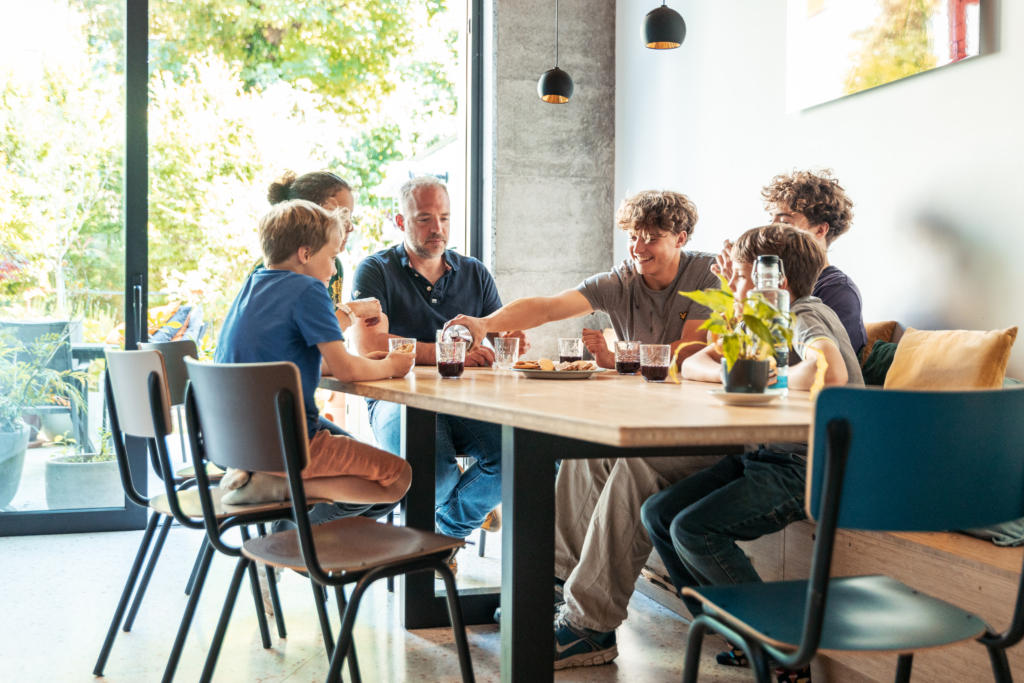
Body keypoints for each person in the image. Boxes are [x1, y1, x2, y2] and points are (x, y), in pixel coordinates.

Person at [445, 190, 722, 671]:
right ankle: (554, 586)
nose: (638, 247)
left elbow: (686, 352)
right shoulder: (622, 279)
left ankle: (590, 627)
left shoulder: (708, 274)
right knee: (585, 453)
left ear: (681, 238)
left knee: (635, 467)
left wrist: (620, 359)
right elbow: (549, 307)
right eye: (633, 236)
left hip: (699, 427)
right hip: (650, 421)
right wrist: (486, 324)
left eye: (651, 237)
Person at [641, 223, 865, 683]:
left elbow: (831, 369)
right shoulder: (759, 322)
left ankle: (781, 650)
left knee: (693, 529)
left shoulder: (803, 313)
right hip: (764, 455)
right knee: (658, 514)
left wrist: (764, 376)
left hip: (806, 464)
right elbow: (692, 363)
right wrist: (741, 369)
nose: (731, 287)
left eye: (739, 277)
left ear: (772, 281)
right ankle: (741, 634)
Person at [348, 175, 525, 571]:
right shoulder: (374, 271)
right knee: (435, 479)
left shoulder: (475, 273)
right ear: (400, 221)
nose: (438, 229)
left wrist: (506, 342)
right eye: (425, 218)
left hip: (465, 401)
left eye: (444, 217)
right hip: (396, 398)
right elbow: (371, 346)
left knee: (522, 457)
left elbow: (494, 341)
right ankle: (464, 513)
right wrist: (449, 353)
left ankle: (445, 533)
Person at [214, 199, 414, 510]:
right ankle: (281, 486)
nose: (334, 269)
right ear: (305, 254)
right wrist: (391, 365)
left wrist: (365, 365)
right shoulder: (308, 290)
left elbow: (295, 364)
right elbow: (346, 371)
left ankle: (271, 480)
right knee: (399, 477)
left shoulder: (250, 286)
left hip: (241, 441)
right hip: (292, 442)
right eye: (332, 257)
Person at [247, 171, 393, 527]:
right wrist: (392, 362)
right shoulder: (296, 276)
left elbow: (306, 345)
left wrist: (347, 349)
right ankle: (287, 529)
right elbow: (324, 331)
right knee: (390, 479)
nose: (351, 226)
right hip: (278, 429)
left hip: (244, 432)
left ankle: (295, 539)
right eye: (345, 216)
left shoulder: (263, 279)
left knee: (376, 496)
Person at [713, 169, 867, 358]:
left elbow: (824, 363)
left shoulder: (837, 290)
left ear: (820, 230)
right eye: (771, 220)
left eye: (784, 222)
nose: (771, 228)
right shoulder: (762, 285)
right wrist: (738, 292)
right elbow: (727, 350)